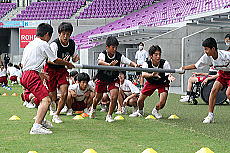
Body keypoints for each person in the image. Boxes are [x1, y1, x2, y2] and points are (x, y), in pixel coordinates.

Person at [20, 23, 74, 134]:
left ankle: (42, 120)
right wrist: (67, 63)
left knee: (44, 98)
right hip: (31, 75)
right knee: (47, 100)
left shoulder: (30, 44)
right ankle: (36, 126)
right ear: (47, 35)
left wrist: (40, 74)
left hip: (26, 74)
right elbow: (54, 60)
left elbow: (26, 64)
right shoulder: (43, 44)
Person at [181, 37, 230, 123]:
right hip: (222, 74)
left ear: (213, 49)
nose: (205, 51)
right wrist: (183, 68)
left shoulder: (226, 55)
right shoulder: (207, 57)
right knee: (213, 91)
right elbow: (196, 66)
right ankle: (210, 116)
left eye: (206, 49)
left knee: (228, 94)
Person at [89, 36, 138, 122]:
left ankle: (109, 115)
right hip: (102, 78)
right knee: (98, 97)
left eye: (116, 47)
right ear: (107, 47)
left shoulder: (119, 56)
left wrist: (135, 65)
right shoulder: (103, 54)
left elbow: (128, 61)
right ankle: (93, 109)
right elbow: (100, 62)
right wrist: (109, 65)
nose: (115, 49)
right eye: (113, 47)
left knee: (114, 96)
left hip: (113, 79)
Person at [44, 22, 79, 124]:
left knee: (64, 93)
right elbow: (51, 60)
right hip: (51, 70)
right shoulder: (54, 45)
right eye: (63, 34)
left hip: (62, 70)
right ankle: (52, 105)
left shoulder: (72, 44)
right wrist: (65, 62)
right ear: (59, 34)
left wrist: (75, 59)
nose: (65, 36)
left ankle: (57, 114)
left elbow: (74, 57)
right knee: (53, 96)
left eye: (68, 34)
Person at [129, 45, 175, 118]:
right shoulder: (146, 63)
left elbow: (169, 74)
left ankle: (155, 110)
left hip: (162, 83)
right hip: (151, 83)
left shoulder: (165, 63)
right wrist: (152, 75)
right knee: (140, 100)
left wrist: (170, 77)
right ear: (151, 56)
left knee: (162, 103)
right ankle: (140, 111)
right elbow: (144, 74)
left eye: (159, 54)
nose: (158, 57)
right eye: (156, 55)